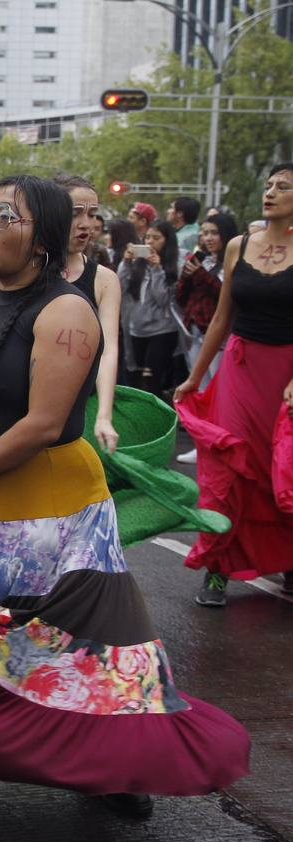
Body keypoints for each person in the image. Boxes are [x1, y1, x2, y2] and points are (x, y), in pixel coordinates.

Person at [0, 174, 250, 841]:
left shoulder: (66, 312)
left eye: (5, 215)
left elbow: (42, 424)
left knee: (91, 664)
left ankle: (116, 772)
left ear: (42, 237)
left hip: (60, 527)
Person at [174, 164, 293, 608]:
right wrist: (193, 375)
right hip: (241, 368)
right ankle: (220, 566)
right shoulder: (239, 246)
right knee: (230, 467)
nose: (271, 192)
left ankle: (288, 560)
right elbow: (222, 318)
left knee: (278, 467)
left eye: (283, 187)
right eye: (268, 185)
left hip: (287, 372)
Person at [55, 175, 125, 453]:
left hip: (78, 408)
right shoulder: (26, 270)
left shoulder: (105, 280)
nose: (87, 223)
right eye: (76, 214)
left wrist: (104, 416)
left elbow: (107, 350)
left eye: (93, 214)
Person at [175, 213, 239, 412]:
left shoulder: (234, 263)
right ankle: (203, 438)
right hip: (194, 333)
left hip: (221, 336)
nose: (208, 238)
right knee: (199, 386)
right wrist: (186, 277)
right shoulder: (203, 261)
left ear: (226, 235)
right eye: (204, 233)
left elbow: (226, 296)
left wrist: (201, 274)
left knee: (219, 388)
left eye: (214, 233)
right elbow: (181, 298)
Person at [119, 220, 180, 399]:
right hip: (136, 329)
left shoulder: (173, 265)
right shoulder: (137, 264)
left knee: (152, 378)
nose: (151, 242)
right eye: (148, 237)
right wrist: (126, 261)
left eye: (157, 238)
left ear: (167, 241)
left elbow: (162, 299)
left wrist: (156, 269)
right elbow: (119, 287)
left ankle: (158, 422)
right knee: (135, 379)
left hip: (162, 330)